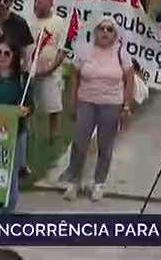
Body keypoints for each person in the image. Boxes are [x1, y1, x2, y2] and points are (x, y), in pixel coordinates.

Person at [62, 16, 134, 202]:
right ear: (95, 31)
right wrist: (72, 100)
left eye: (109, 30)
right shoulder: (86, 51)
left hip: (111, 104)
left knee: (105, 145)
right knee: (79, 142)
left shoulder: (121, 53)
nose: (105, 32)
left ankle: (98, 183)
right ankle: (73, 181)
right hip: (86, 101)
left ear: (115, 34)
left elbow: (129, 80)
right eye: (101, 28)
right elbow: (75, 76)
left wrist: (126, 105)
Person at [0, 36, 33, 213]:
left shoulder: (22, 79)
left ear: (14, 56)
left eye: (6, 53)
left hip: (14, 134)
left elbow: (31, 105)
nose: (2, 56)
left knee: (10, 175)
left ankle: (7, 212)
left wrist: (25, 110)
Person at [28, 0, 67, 144]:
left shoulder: (59, 23)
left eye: (41, 3)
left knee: (53, 107)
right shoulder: (29, 21)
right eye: (36, 2)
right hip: (31, 70)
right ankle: (31, 135)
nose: (37, 5)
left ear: (51, 4)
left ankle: (53, 137)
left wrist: (51, 68)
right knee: (29, 104)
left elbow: (63, 49)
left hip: (51, 72)